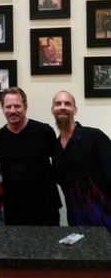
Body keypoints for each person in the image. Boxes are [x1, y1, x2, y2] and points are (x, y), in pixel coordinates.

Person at [0, 87, 61, 226]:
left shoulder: (44, 131)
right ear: (3, 108)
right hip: (14, 211)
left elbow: (59, 163)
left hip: (45, 208)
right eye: (8, 106)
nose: (12, 110)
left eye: (17, 106)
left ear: (25, 107)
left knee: (48, 248)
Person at [51, 90, 111, 231]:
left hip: (105, 220)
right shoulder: (55, 147)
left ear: (75, 110)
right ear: (53, 110)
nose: (62, 107)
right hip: (76, 222)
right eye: (58, 103)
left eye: (67, 103)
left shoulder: (94, 137)